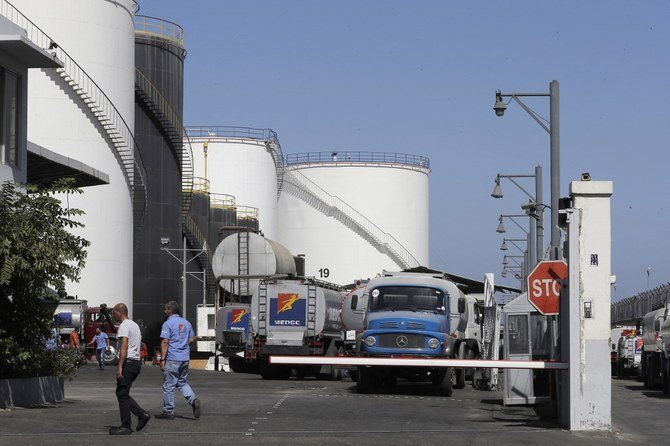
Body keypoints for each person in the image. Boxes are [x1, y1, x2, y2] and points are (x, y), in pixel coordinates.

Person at [155, 300, 201, 420]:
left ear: (170, 310)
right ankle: (193, 399)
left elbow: (165, 341)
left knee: (169, 385)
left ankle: (168, 411)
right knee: (181, 382)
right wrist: (184, 341)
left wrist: (163, 359)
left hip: (173, 358)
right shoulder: (186, 323)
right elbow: (193, 337)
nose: (164, 311)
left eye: (165, 309)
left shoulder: (168, 324)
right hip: (185, 357)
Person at [109, 303, 150, 435]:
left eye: (114, 312)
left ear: (120, 312)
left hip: (129, 362)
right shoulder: (134, 325)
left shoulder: (124, 326)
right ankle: (139, 416)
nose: (113, 315)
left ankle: (128, 424)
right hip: (136, 363)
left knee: (122, 393)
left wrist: (120, 366)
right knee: (122, 392)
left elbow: (124, 346)